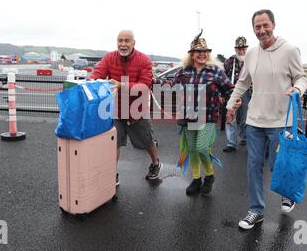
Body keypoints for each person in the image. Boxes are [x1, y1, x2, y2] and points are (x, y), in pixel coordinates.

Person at [226, 9, 307, 230]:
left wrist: (297, 88)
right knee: (253, 166)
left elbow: (302, 77)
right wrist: (230, 105)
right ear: (253, 29)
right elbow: (242, 83)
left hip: (281, 121)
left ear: (273, 25)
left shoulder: (289, 50)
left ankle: (287, 193)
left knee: (277, 164)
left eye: (265, 25)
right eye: (257, 27)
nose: (261, 30)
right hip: (255, 121)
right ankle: (256, 210)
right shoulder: (251, 54)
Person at [155, 30, 234, 196]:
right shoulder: (184, 72)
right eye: (198, 51)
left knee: (202, 147)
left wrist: (232, 105)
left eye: (204, 51)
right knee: (191, 148)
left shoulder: (215, 72)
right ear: (191, 54)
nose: (202, 54)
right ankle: (197, 179)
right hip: (188, 116)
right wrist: (152, 80)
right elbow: (169, 84)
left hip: (208, 117)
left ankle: (210, 176)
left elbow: (229, 90)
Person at [88, 30, 162, 184]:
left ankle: (156, 163)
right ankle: (111, 173)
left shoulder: (144, 60)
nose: (123, 44)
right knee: (112, 143)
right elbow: (98, 73)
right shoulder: (109, 57)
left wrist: (122, 85)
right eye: (120, 40)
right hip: (115, 109)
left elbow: (144, 86)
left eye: (127, 41)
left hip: (137, 111)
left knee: (147, 141)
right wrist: (89, 81)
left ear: (134, 43)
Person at [222, 36, 251, 152]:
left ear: (246, 48)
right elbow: (224, 77)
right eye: (239, 49)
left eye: (243, 48)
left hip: (248, 92)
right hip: (232, 92)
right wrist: (223, 93)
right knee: (231, 116)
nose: (241, 51)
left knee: (246, 117)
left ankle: (244, 136)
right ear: (235, 49)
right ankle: (231, 143)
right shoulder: (229, 61)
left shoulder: (252, 59)